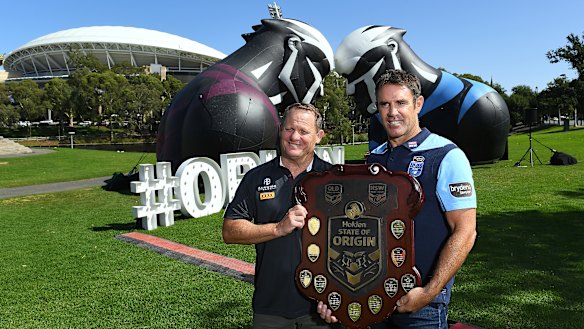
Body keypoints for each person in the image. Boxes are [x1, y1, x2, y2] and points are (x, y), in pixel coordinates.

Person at [317, 69, 477, 328]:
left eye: (401, 103)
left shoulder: (446, 155)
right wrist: (337, 291)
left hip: (420, 305)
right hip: (371, 297)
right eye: (384, 104)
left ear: (418, 104)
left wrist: (429, 292)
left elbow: (466, 231)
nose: (392, 112)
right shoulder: (374, 159)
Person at [223, 103, 336, 329]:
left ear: (319, 136)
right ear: (280, 130)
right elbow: (230, 231)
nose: (295, 137)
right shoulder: (256, 177)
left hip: (321, 306)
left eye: (304, 131)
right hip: (270, 307)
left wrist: (339, 295)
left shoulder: (333, 179)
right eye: (289, 129)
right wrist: (277, 228)